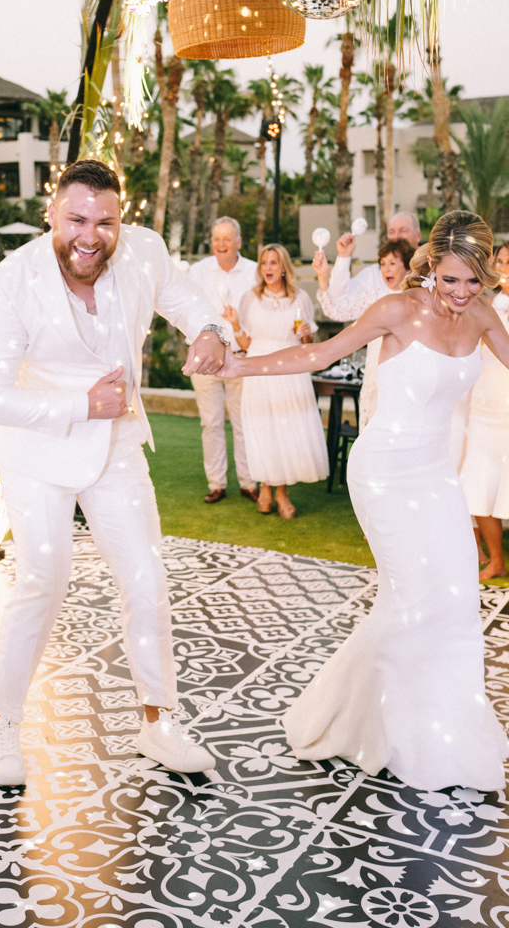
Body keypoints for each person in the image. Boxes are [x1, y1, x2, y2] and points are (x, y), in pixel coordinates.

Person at [203, 209, 509, 791]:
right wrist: (239, 364)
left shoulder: (482, 316)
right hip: (385, 471)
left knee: (456, 597)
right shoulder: (396, 310)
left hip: (436, 473)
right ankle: (373, 728)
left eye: (474, 280)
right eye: (450, 280)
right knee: (414, 601)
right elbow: (318, 354)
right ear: (430, 268)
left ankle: (446, 731)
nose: (462, 293)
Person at [0, 158, 228, 786]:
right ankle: (1, 726)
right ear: (52, 214)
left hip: (115, 450)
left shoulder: (143, 252)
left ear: (121, 219)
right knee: (42, 584)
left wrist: (212, 328)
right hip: (36, 454)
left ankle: (158, 722)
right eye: (77, 218)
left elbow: (188, 296)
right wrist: (81, 405)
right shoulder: (10, 282)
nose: (91, 235)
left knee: (147, 580)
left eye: (105, 221)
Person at [224, 243, 327, 519]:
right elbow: (246, 343)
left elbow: (308, 343)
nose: (268, 268)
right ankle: (265, 487)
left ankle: (281, 493)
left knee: (286, 430)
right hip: (258, 367)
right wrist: (234, 324)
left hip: (290, 368)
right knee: (262, 429)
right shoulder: (249, 299)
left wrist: (306, 334)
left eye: (273, 263)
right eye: (264, 263)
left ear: (283, 268)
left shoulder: (300, 298)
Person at [189, 216, 258, 504]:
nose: (221, 244)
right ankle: (216, 483)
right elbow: (187, 312)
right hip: (205, 361)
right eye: (217, 238)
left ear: (238, 242)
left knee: (244, 423)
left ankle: (249, 482)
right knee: (211, 423)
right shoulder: (197, 271)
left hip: (240, 357)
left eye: (226, 239)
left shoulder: (254, 272)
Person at [313, 238, 415, 426]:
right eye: (383, 264)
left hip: (408, 375)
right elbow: (336, 311)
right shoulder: (374, 298)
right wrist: (323, 277)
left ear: (408, 268)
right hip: (376, 374)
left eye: (393, 263)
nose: (386, 269)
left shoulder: (418, 299)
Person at [459, 240, 509, 580]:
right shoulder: (486, 305)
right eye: (502, 261)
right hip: (484, 404)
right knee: (479, 484)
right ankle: (496, 560)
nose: (506, 268)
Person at [327, 211, 422, 305]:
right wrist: (344, 256)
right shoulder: (374, 275)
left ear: (418, 236)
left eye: (403, 231)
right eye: (391, 232)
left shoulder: (431, 268)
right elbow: (339, 296)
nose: (396, 237)